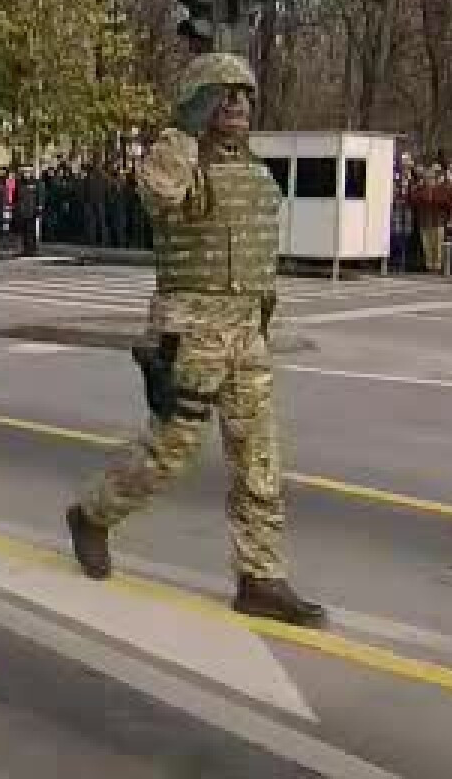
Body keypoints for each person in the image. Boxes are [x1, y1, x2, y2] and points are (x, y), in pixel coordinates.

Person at [64, 51, 326, 627]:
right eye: (224, 93)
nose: (238, 104)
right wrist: (185, 128)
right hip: (191, 329)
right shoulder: (176, 159)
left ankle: (261, 576)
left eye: (246, 94)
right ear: (200, 102)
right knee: (169, 451)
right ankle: (93, 514)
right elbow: (160, 193)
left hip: (247, 332)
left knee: (259, 456)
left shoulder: (256, 173)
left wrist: (261, 316)